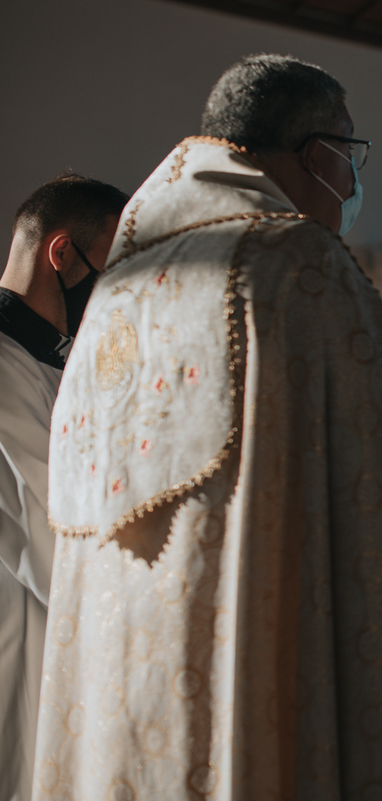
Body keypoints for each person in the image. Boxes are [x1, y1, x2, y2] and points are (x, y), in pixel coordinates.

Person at [33, 55, 382, 800]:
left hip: (116, 708)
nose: (352, 175)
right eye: (349, 150)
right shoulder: (296, 266)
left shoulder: (116, 292)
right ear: (318, 154)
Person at [0, 174, 126, 801]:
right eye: (115, 270)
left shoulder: (53, 365)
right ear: (61, 254)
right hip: (19, 655)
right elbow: (62, 538)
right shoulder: (5, 369)